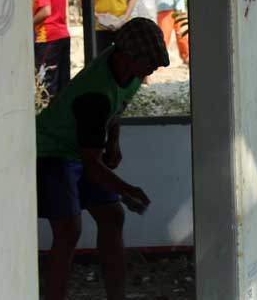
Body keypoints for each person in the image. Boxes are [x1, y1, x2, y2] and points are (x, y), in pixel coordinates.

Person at [36, 18, 169, 300]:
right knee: (68, 230)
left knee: (112, 216)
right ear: (126, 57)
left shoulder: (129, 73)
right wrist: (128, 190)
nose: (155, 68)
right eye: (150, 62)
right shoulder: (94, 96)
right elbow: (92, 166)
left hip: (80, 148)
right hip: (51, 151)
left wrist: (114, 142)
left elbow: (116, 109)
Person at [32, 0, 71, 96]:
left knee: (45, 84)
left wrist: (30, 23)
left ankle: (46, 116)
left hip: (47, 38)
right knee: (63, 82)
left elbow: (46, 11)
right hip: (63, 36)